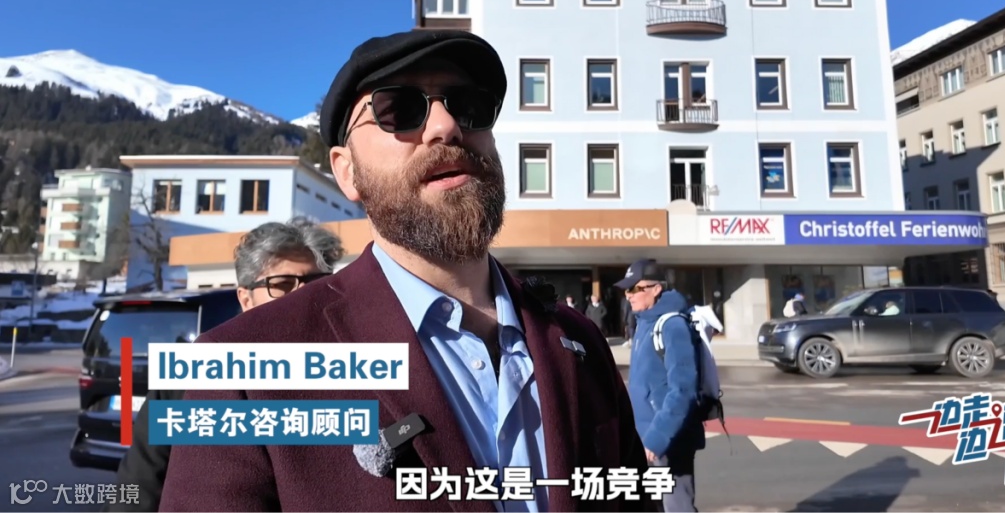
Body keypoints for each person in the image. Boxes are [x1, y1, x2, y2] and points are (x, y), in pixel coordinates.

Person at [158, 30, 649, 513]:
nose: (446, 126)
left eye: (468, 104)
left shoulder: (579, 342)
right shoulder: (246, 366)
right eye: (399, 109)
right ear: (347, 171)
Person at [108, 217, 344, 512]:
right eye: (282, 285)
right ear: (246, 299)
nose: (302, 298)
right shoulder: (186, 383)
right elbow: (138, 492)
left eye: (315, 283)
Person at [617, 258, 704, 513]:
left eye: (635, 288)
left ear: (656, 289)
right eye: (626, 289)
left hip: (668, 441)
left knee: (677, 507)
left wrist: (656, 439)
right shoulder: (644, 323)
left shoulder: (672, 325)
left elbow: (683, 390)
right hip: (646, 440)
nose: (628, 295)